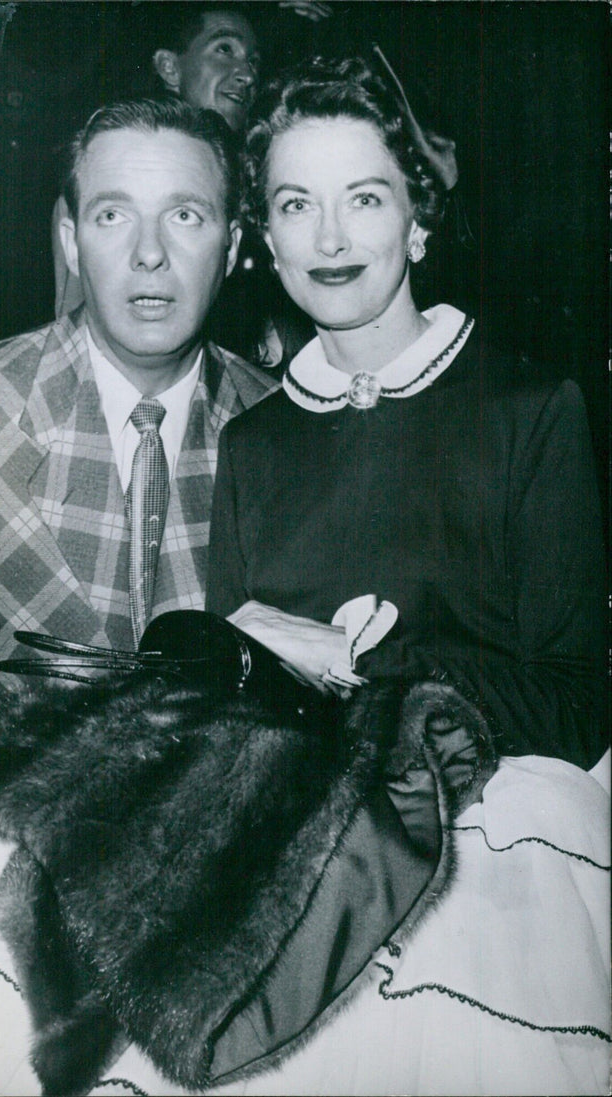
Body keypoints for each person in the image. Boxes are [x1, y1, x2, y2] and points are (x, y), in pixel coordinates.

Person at [197, 53, 609, 1093]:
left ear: (417, 222)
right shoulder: (252, 444)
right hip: (297, 834)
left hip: (497, 835)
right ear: (266, 242)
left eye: (363, 199)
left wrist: (355, 671)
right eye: (296, 204)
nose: (329, 238)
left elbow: (572, 701)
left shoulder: (530, 409)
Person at [0, 97, 274, 800]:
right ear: (70, 240)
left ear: (235, 241)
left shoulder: (284, 426)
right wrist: (0, 808)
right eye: (112, 214)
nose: (149, 252)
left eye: (186, 215)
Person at [52, 5, 261, 319]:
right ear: (170, 68)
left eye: (253, 61)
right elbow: (75, 327)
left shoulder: (256, 185)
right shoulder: (99, 182)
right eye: (224, 49)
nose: (247, 74)